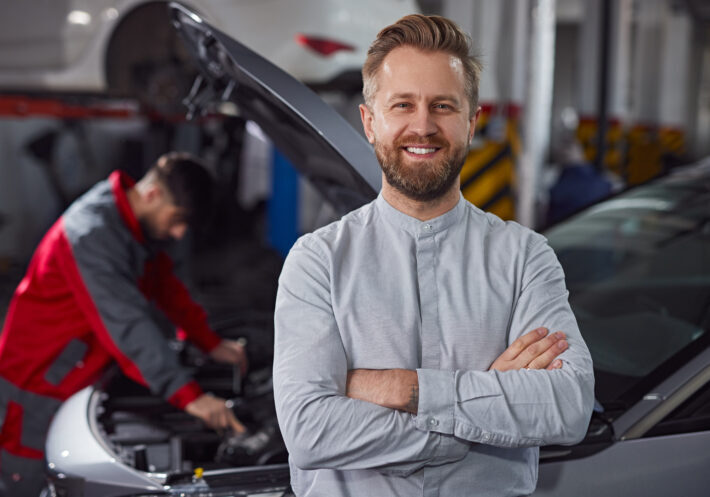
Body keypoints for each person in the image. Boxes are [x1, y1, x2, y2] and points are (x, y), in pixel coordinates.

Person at [272, 14, 594, 497]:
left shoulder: (525, 257)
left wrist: (407, 390)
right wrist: (479, 411)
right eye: (403, 104)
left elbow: (566, 408)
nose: (423, 126)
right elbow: (310, 430)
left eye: (443, 106)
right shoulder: (317, 262)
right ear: (369, 121)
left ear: (471, 121)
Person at [0, 152, 247, 496]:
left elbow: (167, 287)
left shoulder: (131, 226)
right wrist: (190, 397)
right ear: (152, 194)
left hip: (79, 373)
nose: (178, 234)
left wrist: (209, 342)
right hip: (37, 386)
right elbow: (128, 325)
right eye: (177, 220)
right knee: (27, 483)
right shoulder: (92, 235)